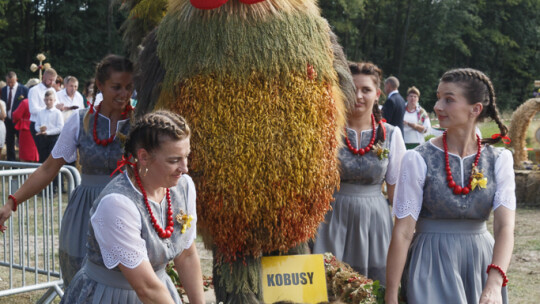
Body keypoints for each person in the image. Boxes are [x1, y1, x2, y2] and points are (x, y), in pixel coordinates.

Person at [0, 55, 135, 287]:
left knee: (127, 286)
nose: (124, 94)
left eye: (129, 87)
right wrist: (12, 202)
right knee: (82, 285)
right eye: (116, 87)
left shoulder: (142, 123)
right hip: (87, 212)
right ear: (100, 86)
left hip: (131, 210)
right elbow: (48, 169)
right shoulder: (79, 121)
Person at [385, 68, 515, 304]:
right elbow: (403, 232)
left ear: (475, 109)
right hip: (429, 263)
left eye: (449, 99)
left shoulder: (499, 160)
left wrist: (494, 284)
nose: (437, 106)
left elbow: (505, 226)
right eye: (438, 97)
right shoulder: (417, 159)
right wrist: (391, 295)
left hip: (480, 263)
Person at [60, 110, 205, 303]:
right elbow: (146, 287)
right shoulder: (117, 204)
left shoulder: (183, 186)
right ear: (143, 157)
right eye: (173, 160)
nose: (184, 168)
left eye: (186, 156)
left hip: (159, 291)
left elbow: (187, 255)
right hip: (109, 296)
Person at [313, 62, 406, 285]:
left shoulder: (391, 135)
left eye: (366, 90)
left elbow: (397, 197)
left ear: (377, 94)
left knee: (372, 288)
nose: (359, 96)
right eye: (353, 89)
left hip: (375, 223)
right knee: (329, 287)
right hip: (331, 219)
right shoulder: (325, 132)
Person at [1, 71, 29, 161]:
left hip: (19, 121)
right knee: (9, 142)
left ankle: (22, 161)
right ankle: (11, 163)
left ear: (16, 80)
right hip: (8, 120)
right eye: (8, 82)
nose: (10, 84)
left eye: (12, 82)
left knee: (21, 143)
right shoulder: (4, 90)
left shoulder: (24, 90)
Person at [28, 68, 58, 149]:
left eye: (54, 80)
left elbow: (55, 107)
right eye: (50, 80)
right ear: (43, 77)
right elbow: (33, 109)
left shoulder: (53, 90)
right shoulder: (34, 90)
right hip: (38, 124)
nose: (52, 82)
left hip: (51, 125)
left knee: (51, 153)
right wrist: (48, 109)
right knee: (42, 154)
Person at [12, 79, 40, 162]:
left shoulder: (25, 102)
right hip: (39, 129)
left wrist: (19, 122)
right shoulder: (42, 102)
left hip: (26, 130)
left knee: (26, 157)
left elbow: (16, 115)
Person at [35, 89, 64, 163]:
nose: (48, 102)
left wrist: (48, 132)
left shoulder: (58, 113)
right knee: (42, 159)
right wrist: (40, 130)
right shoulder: (40, 112)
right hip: (43, 138)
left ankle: (54, 175)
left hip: (54, 139)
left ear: (54, 100)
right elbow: (37, 125)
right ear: (44, 100)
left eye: (50, 100)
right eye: (47, 100)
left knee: (52, 160)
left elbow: (60, 128)